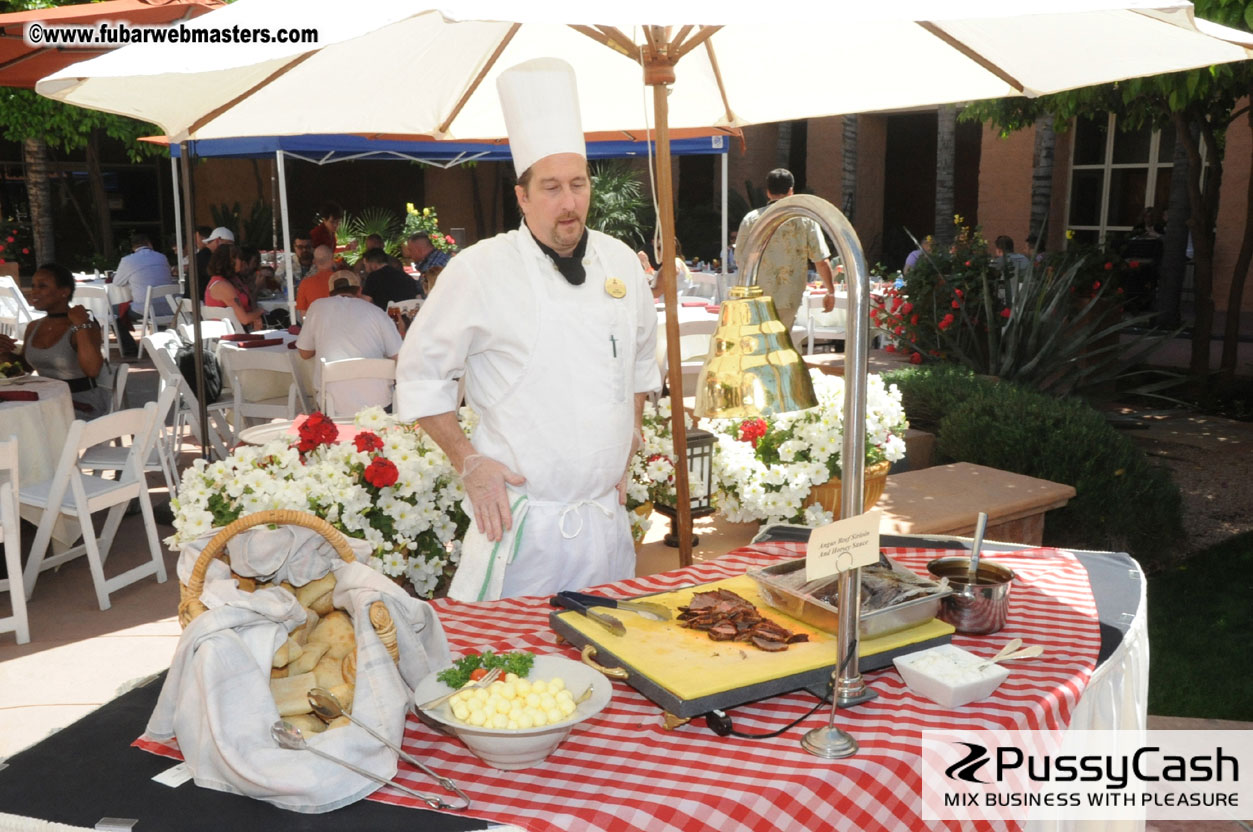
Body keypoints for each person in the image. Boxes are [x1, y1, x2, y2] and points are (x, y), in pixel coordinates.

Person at [395, 57, 660, 602]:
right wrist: (468, 461)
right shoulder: (479, 268)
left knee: (607, 650)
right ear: (522, 196)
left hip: (606, 525)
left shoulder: (620, 261)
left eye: (578, 185)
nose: (569, 202)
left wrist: (631, 433)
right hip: (521, 529)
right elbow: (420, 376)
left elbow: (639, 359)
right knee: (511, 655)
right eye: (551, 187)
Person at [0, 263, 110, 417]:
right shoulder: (33, 327)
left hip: (81, 404)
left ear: (64, 292)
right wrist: (4, 351)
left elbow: (92, 370)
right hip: (47, 401)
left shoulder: (83, 326)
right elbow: (25, 368)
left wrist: (81, 324)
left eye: (42, 286)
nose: (34, 292)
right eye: (33, 286)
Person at [735, 168, 835, 329]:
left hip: (755, 296)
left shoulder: (750, 219)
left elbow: (740, 260)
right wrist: (830, 291)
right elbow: (821, 260)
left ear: (768, 192)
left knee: (757, 341)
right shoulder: (805, 220)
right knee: (782, 340)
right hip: (788, 297)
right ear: (791, 191)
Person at [297, 271, 404, 415]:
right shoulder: (377, 311)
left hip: (333, 405)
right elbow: (399, 356)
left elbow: (304, 353)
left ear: (330, 292)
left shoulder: (317, 307)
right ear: (359, 291)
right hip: (380, 404)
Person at [112, 232, 176, 356]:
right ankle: (163, 342)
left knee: (112, 311)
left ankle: (130, 349)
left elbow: (117, 282)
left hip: (145, 309)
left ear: (133, 248)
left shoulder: (128, 260)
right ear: (149, 244)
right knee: (152, 304)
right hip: (169, 307)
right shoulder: (162, 257)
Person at [205, 244, 264, 330]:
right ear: (230, 261)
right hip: (233, 331)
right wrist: (260, 312)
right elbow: (244, 319)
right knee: (280, 317)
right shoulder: (222, 286)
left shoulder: (233, 279)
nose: (242, 262)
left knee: (279, 314)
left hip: (244, 326)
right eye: (239, 258)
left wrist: (256, 316)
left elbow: (250, 300)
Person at [360, 247, 420, 311]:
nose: (366, 270)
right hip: (409, 314)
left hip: (387, 315)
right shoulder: (406, 276)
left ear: (373, 264)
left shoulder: (373, 277)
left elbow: (365, 303)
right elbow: (419, 299)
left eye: (365, 265)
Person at [295, 245, 336, 313]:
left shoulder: (305, 284)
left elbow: (303, 313)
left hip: (314, 319)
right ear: (332, 259)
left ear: (314, 261)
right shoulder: (343, 280)